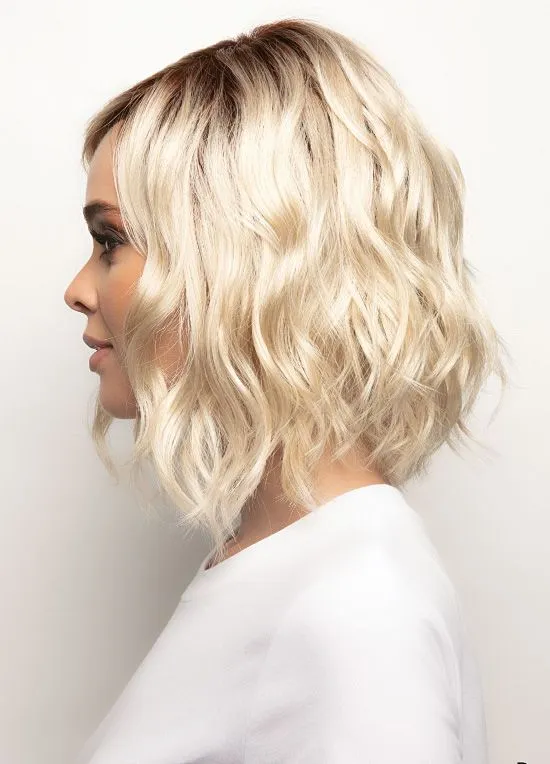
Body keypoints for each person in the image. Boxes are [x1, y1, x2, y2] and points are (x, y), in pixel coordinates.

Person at [65, 17, 508, 763]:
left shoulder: (357, 609)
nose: (78, 290)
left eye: (110, 241)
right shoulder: (294, 567)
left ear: (238, 259)